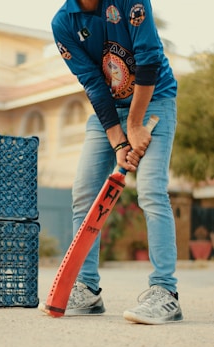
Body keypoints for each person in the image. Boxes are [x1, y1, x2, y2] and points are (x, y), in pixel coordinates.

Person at [49, 0, 183, 324]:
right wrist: (118, 139)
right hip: (108, 112)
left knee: (151, 191)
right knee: (83, 193)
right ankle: (88, 288)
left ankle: (166, 293)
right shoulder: (63, 23)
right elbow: (94, 83)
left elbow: (150, 59)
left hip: (154, 100)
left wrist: (135, 124)